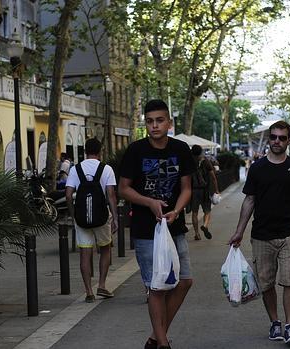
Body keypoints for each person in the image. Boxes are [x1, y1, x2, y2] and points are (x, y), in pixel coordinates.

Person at [228, 120, 290, 345]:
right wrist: (239, 231)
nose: (276, 141)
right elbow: (249, 200)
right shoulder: (257, 168)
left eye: (281, 138)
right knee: (266, 284)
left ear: (288, 140)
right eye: (273, 137)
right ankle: (275, 322)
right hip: (262, 235)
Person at [119, 99, 194, 349]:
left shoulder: (181, 149)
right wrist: (149, 202)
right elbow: (123, 189)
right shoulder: (135, 151)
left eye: (160, 120)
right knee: (156, 287)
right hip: (145, 229)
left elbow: (186, 188)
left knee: (184, 281)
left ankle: (154, 336)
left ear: (169, 123)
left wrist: (177, 210)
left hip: (174, 226)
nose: (154, 125)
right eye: (149, 121)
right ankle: (162, 343)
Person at [65, 138, 118, 303]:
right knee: (105, 249)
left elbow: (68, 195)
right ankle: (102, 284)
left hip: (82, 218)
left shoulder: (75, 169)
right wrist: (115, 217)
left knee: (85, 254)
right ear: (100, 151)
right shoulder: (107, 169)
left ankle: (88, 291)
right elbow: (111, 195)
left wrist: (74, 213)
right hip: (102, 217)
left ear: (85, 151)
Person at [190, 144, 219, 240]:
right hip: (205, 190)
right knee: (207, 211)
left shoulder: (189, 163)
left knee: (194, 212)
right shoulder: (206, 162)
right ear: (201, 152)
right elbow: (213, 177)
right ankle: (205, 225)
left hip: (193, 191)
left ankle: (197, 234)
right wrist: (216, 189)